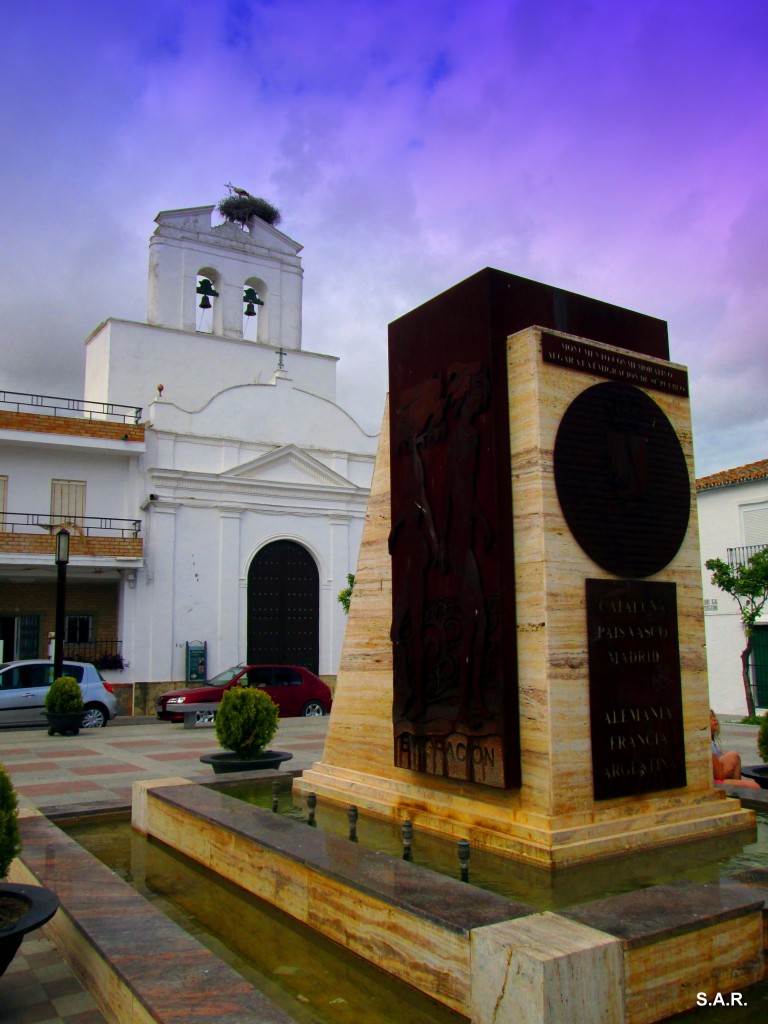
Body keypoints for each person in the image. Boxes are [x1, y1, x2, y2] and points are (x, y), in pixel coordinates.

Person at [710, 709, 760, 788]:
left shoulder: (712, 743)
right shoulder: (709, 745)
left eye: (713, 716)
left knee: (734, 756)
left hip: (718, 780)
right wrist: (727, 772)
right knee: (755, 786)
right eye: (710, 718)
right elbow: (719, 776)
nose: (714, 719)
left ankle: (737, 791)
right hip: (715, 783)